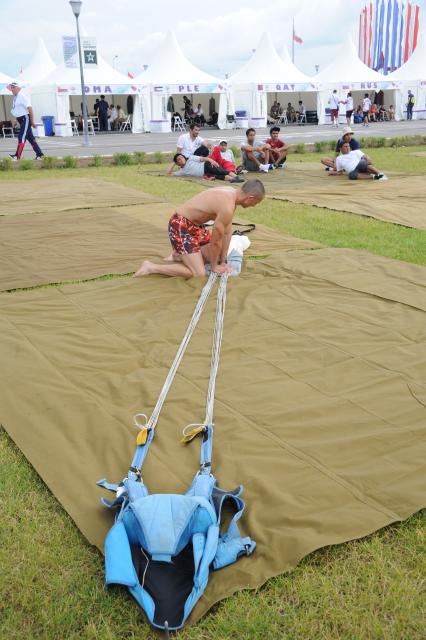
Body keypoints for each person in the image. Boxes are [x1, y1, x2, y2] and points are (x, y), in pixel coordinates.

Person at [134, 180, 265, 278]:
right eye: (256, 203)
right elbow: (216, 241)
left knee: (214, 255)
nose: (254, 206)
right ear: (250, 198)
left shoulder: (231, 195)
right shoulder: (227, 206)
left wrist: (223, 260)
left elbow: (227, 232)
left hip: (194, 226)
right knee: (198, 273)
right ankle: (151, 267)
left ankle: (178, 255)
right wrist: (214, 266)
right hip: (180, 226)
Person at [7, 81, 44, 161]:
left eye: (13, 87)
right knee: (30, 138)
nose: (12, 89)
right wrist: (15, 120)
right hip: (21, 119)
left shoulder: (22, 96)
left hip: (26, 118)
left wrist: (32, 121)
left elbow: (30, 108)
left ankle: (17, 156)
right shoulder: (15, 98)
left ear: (18, 88)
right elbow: (17, 111)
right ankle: (40, 154)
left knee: (21, 136)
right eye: (11, 87)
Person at [167, 152, 244, 183]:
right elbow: (169, 174)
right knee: (218, 176)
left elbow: (203, 158)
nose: (181, 159)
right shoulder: (181, 171)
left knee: (222, 171)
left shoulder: (190, 158)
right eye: (179, 160)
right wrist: (173, 162)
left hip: (206, 165)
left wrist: (212, 161)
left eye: (182, 157)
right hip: (205, 174)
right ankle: (232, 179)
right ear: (177, 163)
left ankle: (236, 177)